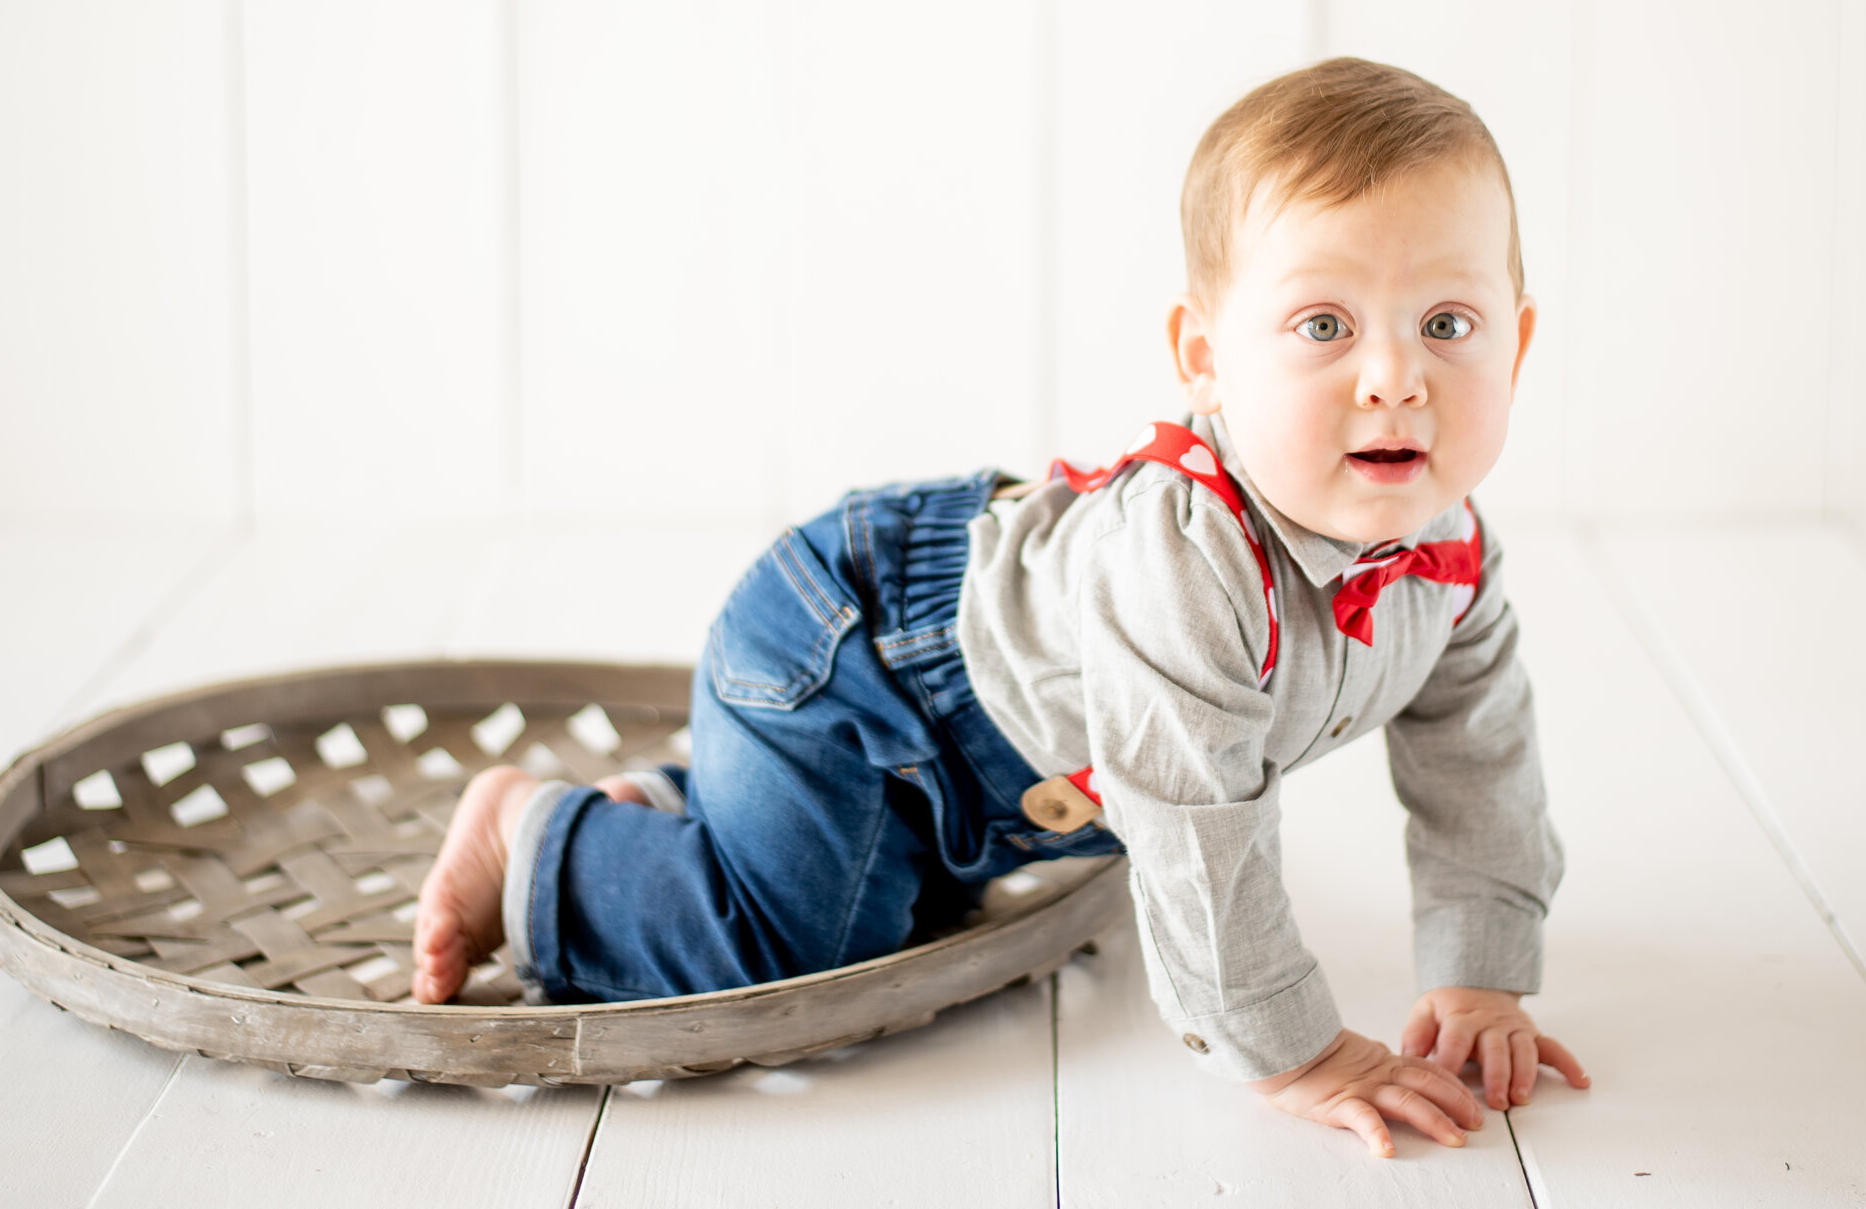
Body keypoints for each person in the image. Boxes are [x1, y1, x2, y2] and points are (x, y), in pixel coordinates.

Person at [412, 56, 1589, 1156]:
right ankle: (536, 833)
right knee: (805, 949)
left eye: (1447, 324)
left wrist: (1481, 970)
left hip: (964, 760)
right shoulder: (1190, 569)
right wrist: (1297, 1053)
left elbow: (1480, 766)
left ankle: (684, 811)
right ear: (1206, 357)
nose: (1395, 374)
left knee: (901, 884)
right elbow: (1195, 831)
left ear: (1520, 345)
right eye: (1323, 326)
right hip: (849, 661)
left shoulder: (1451, 554)